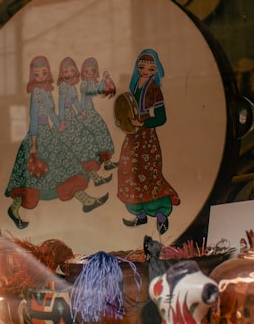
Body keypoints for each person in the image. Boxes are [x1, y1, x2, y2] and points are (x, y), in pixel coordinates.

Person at [5, 56, 107, 229]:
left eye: (44, 72)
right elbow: (35, 118)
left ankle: (86, 200)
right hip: (39, 135)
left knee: (67, 166)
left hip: (48, 132)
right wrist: (35, 142)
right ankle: (14, 210)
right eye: (37, 74)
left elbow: (51, 112)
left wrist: (59, 123)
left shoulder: (45, 91)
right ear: (33, 76)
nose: (42, 76)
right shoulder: (37, 93)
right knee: (35, 179)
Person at [117, 48, 179, 234]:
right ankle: (140, 214)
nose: (145, 71)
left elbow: (161, 117)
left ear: (156, 70)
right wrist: (124, 120)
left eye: (150, 69)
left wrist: (142, 123)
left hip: (146, 139)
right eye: (142, 67)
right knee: (130, 174)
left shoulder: (154, 89)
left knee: (150, 175)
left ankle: (161, 215)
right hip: (133, 136)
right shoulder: (135, 86)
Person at [57, 56, 110, 186]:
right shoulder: (64, 86)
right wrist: (62, 121)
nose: (69, 74)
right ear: (62, 74)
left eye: (71, 71)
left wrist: (81, 110)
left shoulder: (72, 87)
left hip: (74, 116)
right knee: (80, 148)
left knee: (87, 143)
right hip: (67, 118)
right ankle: (94, 177)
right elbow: (61, 104)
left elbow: (75, 101)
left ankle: (96, 177)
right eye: (66, 72)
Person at [78, 57, 117, 172]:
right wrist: (102, 83)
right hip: (86, 111)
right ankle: (100, 161)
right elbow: (93, 91)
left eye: (92, 71)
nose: (89, 73)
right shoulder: (85, 84)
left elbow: (99, 90)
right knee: (97, 134)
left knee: (102, 133)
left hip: (91, 110)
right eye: (87, 71)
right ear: (83, 73)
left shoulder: (91, 82)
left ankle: (106, 161)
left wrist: (104, 80)